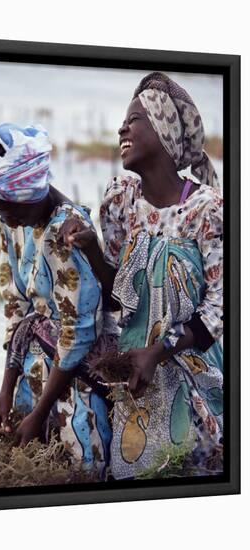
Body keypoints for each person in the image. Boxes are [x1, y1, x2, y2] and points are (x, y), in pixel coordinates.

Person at [61, 72, 224, 479]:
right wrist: (93, 250)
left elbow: (223, 306)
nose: (122, 128)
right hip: (137, 375)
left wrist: (160, 351)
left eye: (135, 119)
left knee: (191, 471)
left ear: (164, 131)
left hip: (193, 369)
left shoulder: (208, 210)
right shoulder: (121, 202)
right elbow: (119, 297)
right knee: (134, 476)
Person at [0, 122, 113, 476]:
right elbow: (15, 304)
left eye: (10, 211)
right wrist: (6, 390)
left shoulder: (67, 233)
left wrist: (40, 412)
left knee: (77, 471)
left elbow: (79, 331)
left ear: (29, 196)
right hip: (33, 371)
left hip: (73, 382)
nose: (8, 221)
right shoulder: (13, 220)